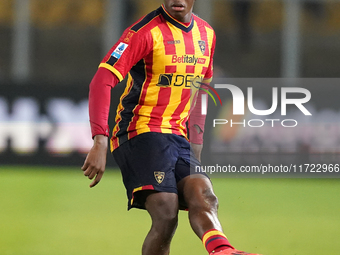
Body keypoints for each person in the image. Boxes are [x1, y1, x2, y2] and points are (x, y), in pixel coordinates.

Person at [82, 1, 261, 255]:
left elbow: (201, 90)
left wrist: (196, 144)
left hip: (178, 136)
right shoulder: (144, 32)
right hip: (138, 130)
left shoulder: (206, 34)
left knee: (204, 195)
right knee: (166, 210)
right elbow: (102, 80)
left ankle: (223, 251)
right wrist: (100, 139)